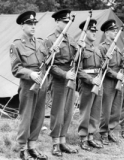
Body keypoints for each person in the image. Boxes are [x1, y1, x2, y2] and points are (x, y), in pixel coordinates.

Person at [10, 11, 48, 160]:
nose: (33, 26)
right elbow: (16, 68)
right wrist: (30, 74)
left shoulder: (40, 42)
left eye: (34, 24)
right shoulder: (17, 45)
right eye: (29, 24)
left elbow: (46, 62)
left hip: (42, 84)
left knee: (38, 117)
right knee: (26, 117)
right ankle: (22, 149)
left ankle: (32, 146)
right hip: (28, 85)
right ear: (22, 26)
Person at [46, 9, 78, 157]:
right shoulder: (50, 40)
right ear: (57, 22)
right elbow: (49, 65)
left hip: (70, 77)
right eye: (64, 22)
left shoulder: (71, 39)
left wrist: (80, 50)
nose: (66, 24)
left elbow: (77, 59)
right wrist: (65, 74)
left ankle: (63, 141)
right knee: (57, 112)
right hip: (59, 78)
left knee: (68, 112)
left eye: (68, 22)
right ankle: (55, 143)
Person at [77, 19, 104, 151]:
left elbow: (101, 66)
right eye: (92, 31)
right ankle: (83, 138)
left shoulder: (97, 49)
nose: (94, 33)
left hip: (98, 82)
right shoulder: (81, 48)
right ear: (85, 32)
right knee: (86, 111)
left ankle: (91, 137)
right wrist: (91, 80)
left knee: (95, 111)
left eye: (95, 31)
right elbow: (78, 70)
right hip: (88, 83)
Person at [98, 19, 124, 145]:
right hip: (108, 81)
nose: (115, 32)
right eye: (112, 31)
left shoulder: (117, 48)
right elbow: (103, 66)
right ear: (106, 32)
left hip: (118, 80)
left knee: (116, 108)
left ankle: (110, 130)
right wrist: (116, 75)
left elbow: (120, 63)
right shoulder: (103, 47)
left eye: (115, 30)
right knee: (106, 108)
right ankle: (103, 132)